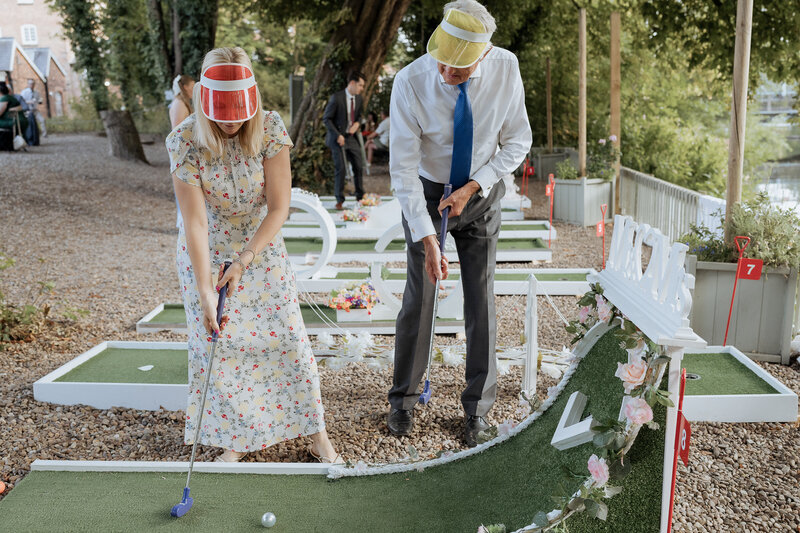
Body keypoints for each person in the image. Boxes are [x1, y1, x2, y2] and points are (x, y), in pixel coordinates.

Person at [166, 47, 341, 464]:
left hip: (260, 247)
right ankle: (237, 438)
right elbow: (195, 223)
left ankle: (315, 433)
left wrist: (244, 260)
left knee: (287, 338)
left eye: (238, 113)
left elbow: (279, 206)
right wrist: (206, 287)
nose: (230, 122)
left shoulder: (270, 128)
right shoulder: (185, 140)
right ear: (204, 101)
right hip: (205, 250)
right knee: (221, 345)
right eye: (221, 113)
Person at [387, 0, 532, 447]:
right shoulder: (410, 81)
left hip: (481, 193)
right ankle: (403, 400)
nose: (447, 71)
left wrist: (475, 185)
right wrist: (428, 235)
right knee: (420, 296)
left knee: (480, 301)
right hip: (427, 194)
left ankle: (477, 409)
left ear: (484, 54)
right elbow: (403, 170)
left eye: (460, 66)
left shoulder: (506, 68)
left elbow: (518, 140)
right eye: (443, 59)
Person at [323, 71, 366, 210]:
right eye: (360, 85)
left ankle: (360, 197)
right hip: (337, 138)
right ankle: (339, 200)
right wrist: (338, 135)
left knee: (358, 166)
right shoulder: (336, 98)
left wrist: (358, 124)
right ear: (352, 83)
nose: (361, 89)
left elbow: (359, 116)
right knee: (340, 169)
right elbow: (327, 119)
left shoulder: (359, 99)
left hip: (351, 138)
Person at [169, 74, 196, 227]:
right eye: (192, 86)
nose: (193, 90)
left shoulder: (183, 103)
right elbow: (177, 132)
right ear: (185, 87)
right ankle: (185, 222)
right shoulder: (179, 104)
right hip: (182, 154)